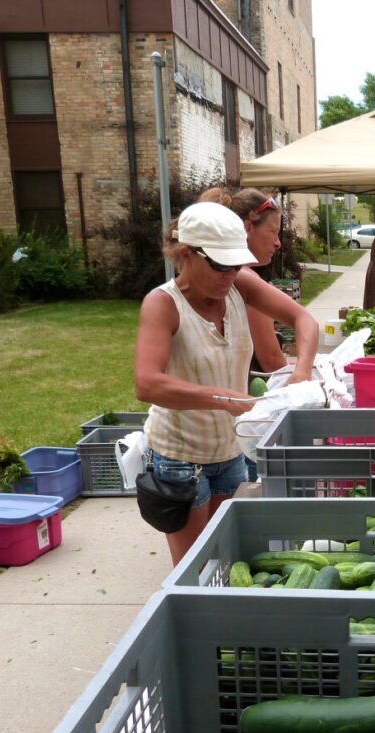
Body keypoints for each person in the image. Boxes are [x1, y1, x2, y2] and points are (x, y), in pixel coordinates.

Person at [133, 202, 315, 565]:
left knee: (227, 561)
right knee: (195, 569)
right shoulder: (163, 304)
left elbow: (303, 320)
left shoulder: (239, 285)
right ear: (187, 254)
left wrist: (302, 373)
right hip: (179, 460)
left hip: (230, 454)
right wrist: (221, 398)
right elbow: (147, 384)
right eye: (220, 265)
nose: (230, 274)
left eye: (235, 264)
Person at [199, 187, 320, 481]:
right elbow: (271, 359)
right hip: (230, 432)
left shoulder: (243, 280)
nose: (278, 243)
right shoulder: (240, 279)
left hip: (230, 431)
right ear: (246, 227)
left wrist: (303, 371)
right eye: (273, 231)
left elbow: (304, 321)